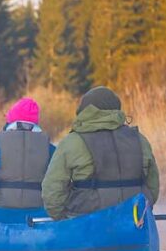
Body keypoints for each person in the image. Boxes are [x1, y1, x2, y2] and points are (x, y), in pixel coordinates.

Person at [41, 86, 159, 220]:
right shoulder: (139, 139)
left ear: (84, 111)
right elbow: (153, 186)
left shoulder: (71, 142)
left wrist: (63, 219)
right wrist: (143, 210)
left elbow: (52, 191)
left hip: (86, 223)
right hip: (133, 221)